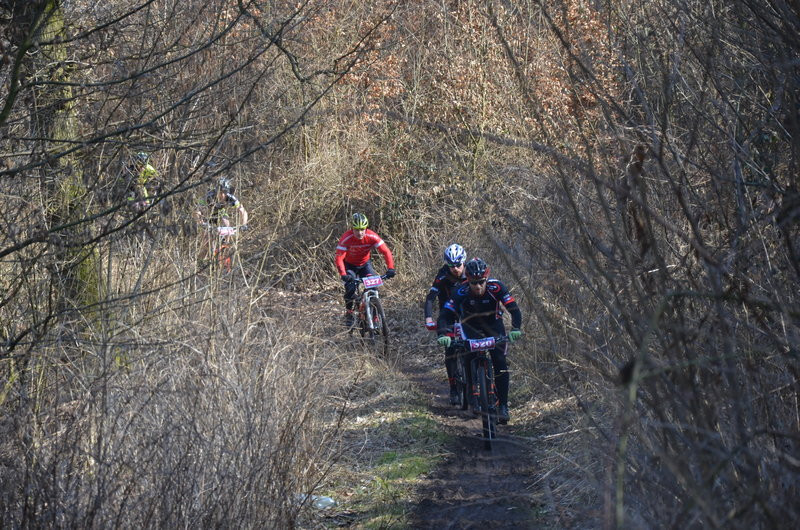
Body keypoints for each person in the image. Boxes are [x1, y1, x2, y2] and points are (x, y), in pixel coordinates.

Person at [436, 258, 522, 424]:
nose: (477, 286)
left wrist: (516, 328)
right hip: (470, 327)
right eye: (473, 282)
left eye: (481, 282)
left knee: (499, 362)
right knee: (468, 357)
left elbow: (514, 309)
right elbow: (445, 315)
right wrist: (443, 334)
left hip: (494, 326)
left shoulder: (497, 287)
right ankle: (471, 393)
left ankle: (503, 405)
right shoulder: (460, 292)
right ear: (468, 280)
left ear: (487, 279)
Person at [424, 243, 468, 405]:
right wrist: (429, 318)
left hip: (467, 312)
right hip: (447, 314)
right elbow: (430, 298)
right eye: (451, 265)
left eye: (458, 265)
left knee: (472, 346)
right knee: (450, 350)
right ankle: (453, 389)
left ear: (464, 262)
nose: (455, 268)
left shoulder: (471, 272)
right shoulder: (442, 274)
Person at [335, 213, 396, 327]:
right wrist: (343, 274)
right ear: (352, 229)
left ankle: (375, 315)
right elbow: (339, 258)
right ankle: (349, 313)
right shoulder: (346, 238)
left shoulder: (372, 236)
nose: (360, 233)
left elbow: (386, 251)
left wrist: (390, 268)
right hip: (350, 265)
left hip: (364, 265)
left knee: (373, 288)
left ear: (366, 228)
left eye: (362, 229)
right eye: (357, 230)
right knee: (350, 288)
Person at [194, 177, 249, 260]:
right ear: (216, 191)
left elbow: (243, 211)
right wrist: (201, 222)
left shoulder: (230, 197)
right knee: (206, 244)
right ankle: (200, 262)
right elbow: (197, 211)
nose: (222, 195)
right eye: (220, 192)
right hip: (207, 215)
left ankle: (225, 247)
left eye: (225, 192)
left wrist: (244, 224)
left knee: (227, 226)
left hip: (220, 213)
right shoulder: (208, 196)